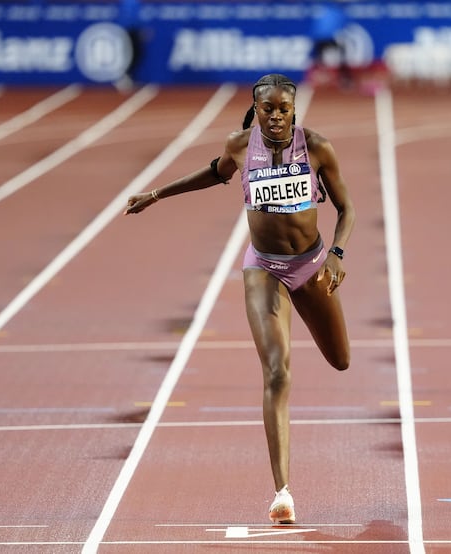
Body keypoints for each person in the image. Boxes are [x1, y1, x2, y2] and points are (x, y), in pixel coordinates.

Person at [124, 73, 355, 524]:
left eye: (283, 109)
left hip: (310, 265)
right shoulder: (239, 144)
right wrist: (155, 195)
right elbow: (214, 173)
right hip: (263, 267)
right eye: (266, 108)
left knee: (342, 360)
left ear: (294, 111)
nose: (274, 116)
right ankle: (282, 491)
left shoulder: (317, 147)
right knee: (277, 372)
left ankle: (283, 485)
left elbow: (347, 208)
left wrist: (338, 254)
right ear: (256, 109)